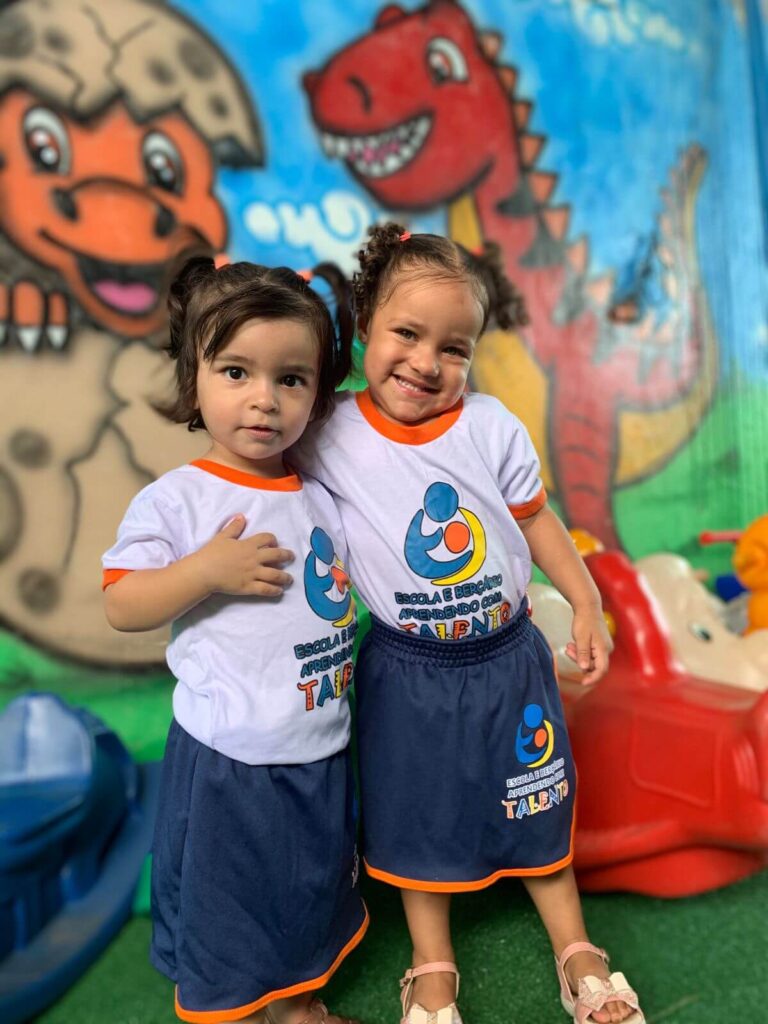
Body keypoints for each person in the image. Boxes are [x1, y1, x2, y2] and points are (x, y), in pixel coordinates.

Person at [292, 224, 645, 1024]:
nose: (426, 361)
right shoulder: (327, 430)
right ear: (364, 325)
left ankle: (576, 950)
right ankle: (431, 963)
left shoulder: (491, 426)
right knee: (415, 812)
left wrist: (587, 602)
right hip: (406, 671)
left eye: (453, 348)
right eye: (407, 334)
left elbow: (537, 519)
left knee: (536, 794)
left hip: (509, 660)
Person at [102, 257, 367, 1024]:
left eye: (291, 378)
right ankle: (240, 1011)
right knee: (232, 904)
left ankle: (297, 1004)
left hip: (318, 741)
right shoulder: (181, 499)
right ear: (195, 379)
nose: (264, 398)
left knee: (307, 885)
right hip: (230, 759)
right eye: (236, 371)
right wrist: (204, 570)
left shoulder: (319, 494)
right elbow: (122, 603)